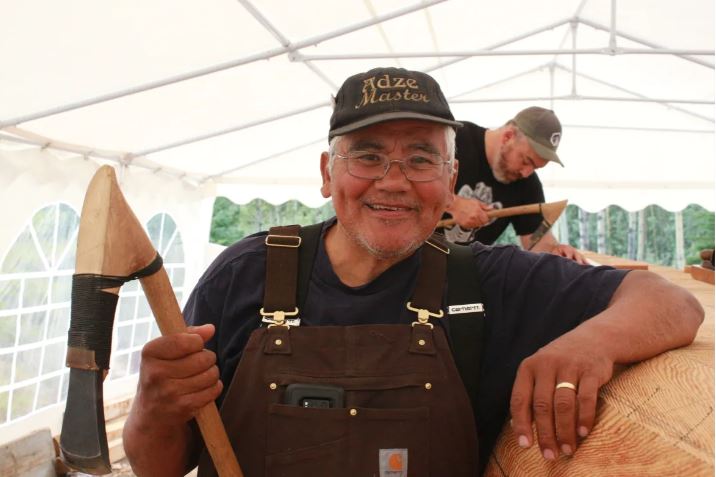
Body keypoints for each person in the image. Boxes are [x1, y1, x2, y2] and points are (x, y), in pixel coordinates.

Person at [123, 67, 703, 477]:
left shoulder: (491, 281)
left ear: (450, 180)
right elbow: (161, 467)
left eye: (421, 158)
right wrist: (154, 405)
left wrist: (592, 342)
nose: (394, 180)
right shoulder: (242, 275)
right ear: (328, 174)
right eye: (369, 155)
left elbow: (672, 303)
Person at [443, 107, 588, 264]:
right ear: (508, 136)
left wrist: (555, 251)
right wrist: (452, 204)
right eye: (526, 161)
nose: (526, 173)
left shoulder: (527, 184)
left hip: (462, 273)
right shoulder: (454, 139)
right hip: (416, 262)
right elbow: (412, 185)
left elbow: (536, 239)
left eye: (535, 168)